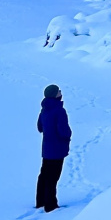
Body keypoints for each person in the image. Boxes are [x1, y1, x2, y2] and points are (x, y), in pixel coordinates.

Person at [36, 83, 72, 211]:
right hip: (57, 149)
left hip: (46, 148)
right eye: (58, 91)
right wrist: (68, 135)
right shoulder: (59, 110)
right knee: (53, 177)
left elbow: (40, 127)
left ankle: (40, 201)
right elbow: (63, 131)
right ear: (54, 94)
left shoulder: (44, 109)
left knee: (44, 175)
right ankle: (50, 205)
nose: (60, 92)